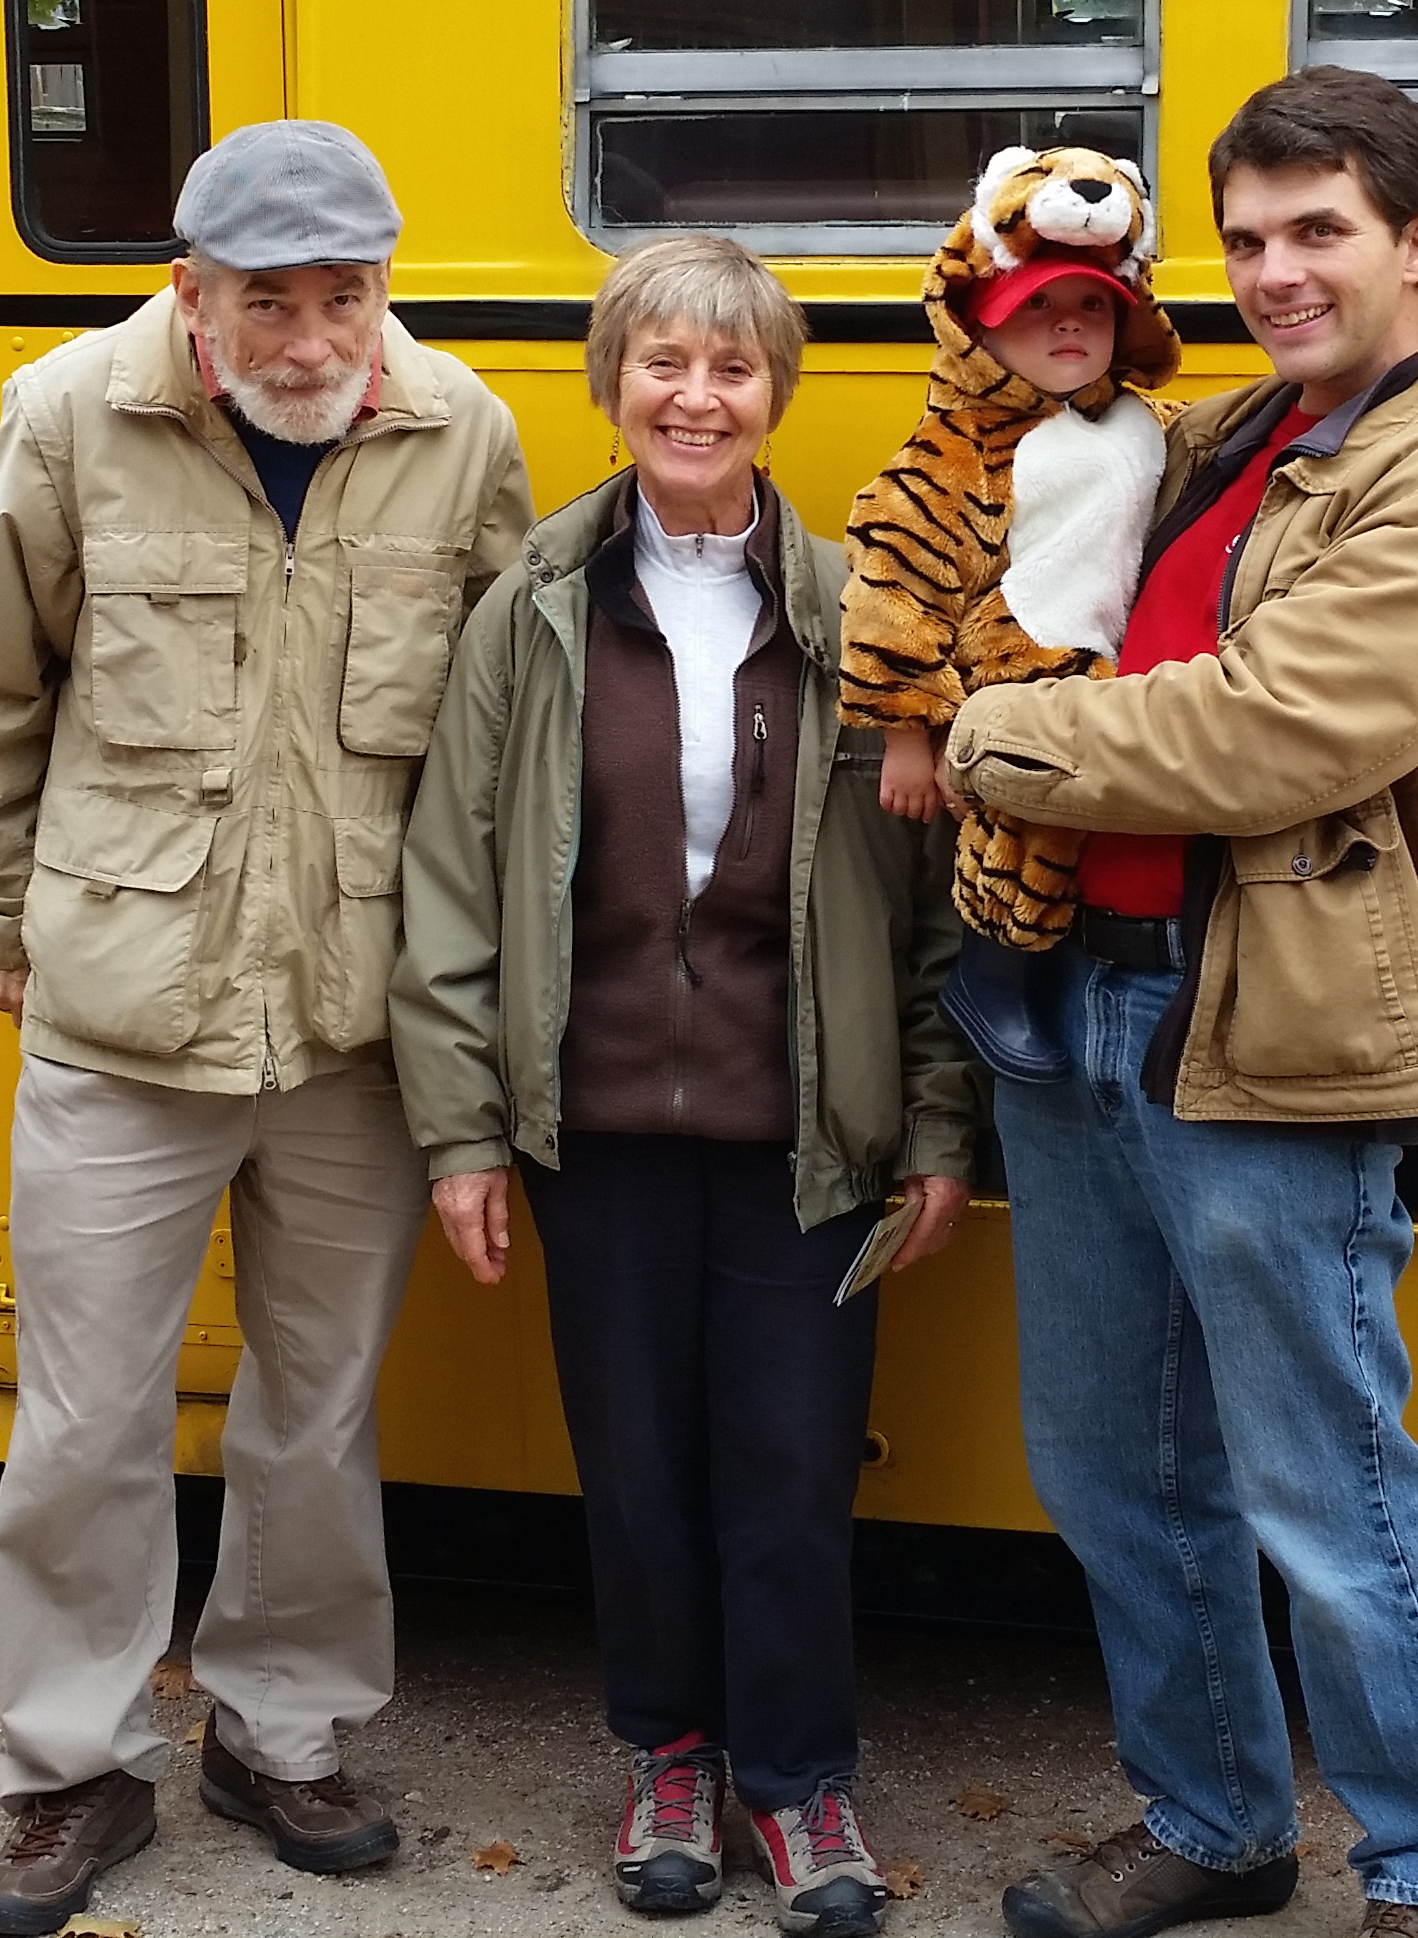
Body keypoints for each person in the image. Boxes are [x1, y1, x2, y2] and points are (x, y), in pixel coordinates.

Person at [941, 69, 1418, 1938]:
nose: (1276, 271)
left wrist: (983, 731)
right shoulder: (1230, 435)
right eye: (1251, 238)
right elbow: (1017, 447)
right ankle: (1210, 1822)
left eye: (1319, 234)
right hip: (1092, 1010)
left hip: (1271, 1031)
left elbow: (1264, 733)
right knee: (1118, 1467)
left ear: (1414, 245)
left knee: (1324, 1479)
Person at [0, 121, 532, 1935]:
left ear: (380, 285)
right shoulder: (65, 414)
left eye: (342, 293)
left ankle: (282, 1729)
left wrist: (474, 1004)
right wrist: (13, 921)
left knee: (316, 1410)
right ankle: (71, 1766)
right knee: (85, 1419)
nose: (307, 336)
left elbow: (500, 737)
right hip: (121, 1017)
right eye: (267, 299)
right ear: (192, 291)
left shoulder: (459, 429)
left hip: (356, 1025)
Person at [390, 233, 980, 1938]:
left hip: (807, 1138)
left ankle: (797, 1783)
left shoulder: (861, 616)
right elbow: (453, 877)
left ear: (775, 394)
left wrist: (936, 1125)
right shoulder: (535, 611)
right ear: (611, 384)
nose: (694, 395)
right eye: (662, 362)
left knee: (791, 1467)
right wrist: (458, 1131)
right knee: (634, 1465)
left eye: (729, 367)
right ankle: (667, 1750)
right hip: (596, 1135)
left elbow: (926, 906)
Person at [838, 146, 1179, 957]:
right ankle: (1001, 959)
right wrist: (906, 741)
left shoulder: (1148, 424)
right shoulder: (953, 456)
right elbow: (895, 591)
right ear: (977, 327)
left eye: (1092, 308)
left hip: (1124, 663)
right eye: (1037, 307)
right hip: (1017, 664)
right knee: (1026, 833)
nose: (1068, 323)